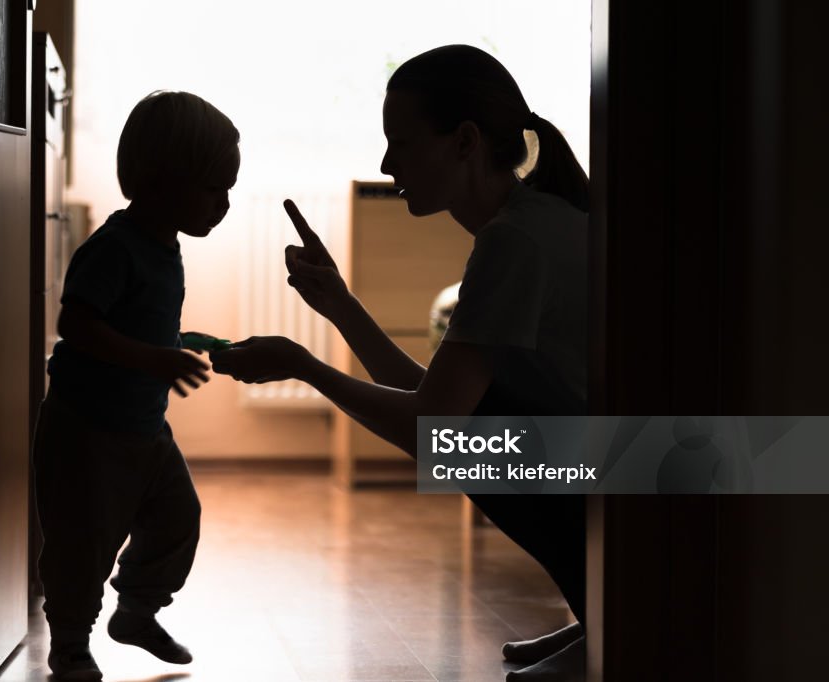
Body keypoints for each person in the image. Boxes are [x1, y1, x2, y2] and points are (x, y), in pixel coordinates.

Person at [211, 45, 588, 681]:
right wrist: (341, 307)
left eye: (402, 143)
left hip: (649, 466)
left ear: (465, 142)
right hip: (633, 454)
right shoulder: (532, 220)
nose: (387, 163)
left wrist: (306, 365)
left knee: (475, 439)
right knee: (482, 424)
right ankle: (600, 615)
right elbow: (443, 400)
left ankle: (610, 626)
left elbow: (437, 426)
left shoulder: (514, 241)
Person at [32, 90, 239, 681]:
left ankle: (137, 611)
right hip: (88, 431)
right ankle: (70, 642)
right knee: (82, 545)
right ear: (161, 180)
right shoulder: (113, 246)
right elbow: (76, 324)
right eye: (214, 187)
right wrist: (154, 358)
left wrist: (181, 341)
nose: (224, 203)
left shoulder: (163, 245)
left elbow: (138, 320)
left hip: (145, 430)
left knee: (178, 520)